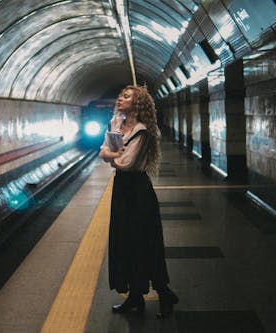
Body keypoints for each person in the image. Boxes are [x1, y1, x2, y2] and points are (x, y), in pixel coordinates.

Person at [99, 85, 178, 318]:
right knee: (124, 242)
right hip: (122, 191)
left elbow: (127, 164)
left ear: (138, 103)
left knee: (145, 244)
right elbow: (104, 152)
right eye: (121, 95)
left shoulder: (142, 131)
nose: (120, 98)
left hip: (139, 193)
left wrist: (112, 158)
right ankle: (135, 297)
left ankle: (164, 295)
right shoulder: (117, 125)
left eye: (127, 96)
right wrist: (114, 151)